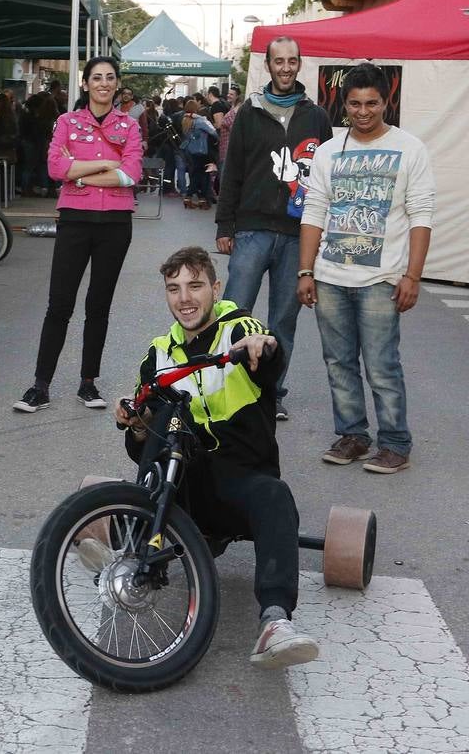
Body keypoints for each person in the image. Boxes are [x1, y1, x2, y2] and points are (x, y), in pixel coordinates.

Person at [113, 246, 319, 669]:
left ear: (215, 288)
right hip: (181, 487)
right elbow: (142, 450)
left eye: (195, 286)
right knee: (161, 412)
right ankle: (133, 554)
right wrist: (136, 423)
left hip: (240, 480)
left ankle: (275, 622)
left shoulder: (238, 328)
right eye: (174, 289)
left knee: (276, 496)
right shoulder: (158, 354)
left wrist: (263, 345)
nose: (184, 298)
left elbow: (268, 357)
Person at [297, 62, 435, 475]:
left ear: (386, 102)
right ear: (344, 104)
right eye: (355, 104)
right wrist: (305, 271)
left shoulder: (410, 149)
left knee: (381, 366)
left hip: (381, 280)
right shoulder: (328, 151)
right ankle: (353, 435)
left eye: (371, 103)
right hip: (330, 277)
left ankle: (395, 443)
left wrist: (412, 276)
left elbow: (421, 215)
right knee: (338, 363)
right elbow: (314, 211)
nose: (363, 112)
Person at [13, 56, 142, 414]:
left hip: (115, 223)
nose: (104, 83)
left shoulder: (129, 126)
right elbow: (56, 167)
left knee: (98, 305)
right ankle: (40, 385)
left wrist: (80, 174)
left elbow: (131, 173)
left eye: (110, 77)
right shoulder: (67, 122)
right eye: (96, 78)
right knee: (59, 304)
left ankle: (88, 382)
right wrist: (106, 164)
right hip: (75, 220)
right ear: (85, 84)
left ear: (117, 84)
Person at [215, 39, 333, 421]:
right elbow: (232, 171)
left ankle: (270, 393)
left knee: (283, 320)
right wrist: (225, 224)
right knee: (234, 312)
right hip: (251, 230)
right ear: (268, 65)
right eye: (278, 61)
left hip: (297, 234)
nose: (285, 67)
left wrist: (323, 233)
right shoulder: (248, 113)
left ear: (299, 64)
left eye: (291, 61)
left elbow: (326, 177)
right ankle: (228, 386)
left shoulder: (316, 116)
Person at [178, 99, 218, 210]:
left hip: (190, 150)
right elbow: (213, 131)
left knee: (197, 174)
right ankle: (192, 197)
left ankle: (199, 198)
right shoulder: (200, 121)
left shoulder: (185, 120)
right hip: (201, 150)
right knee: (201, 175)